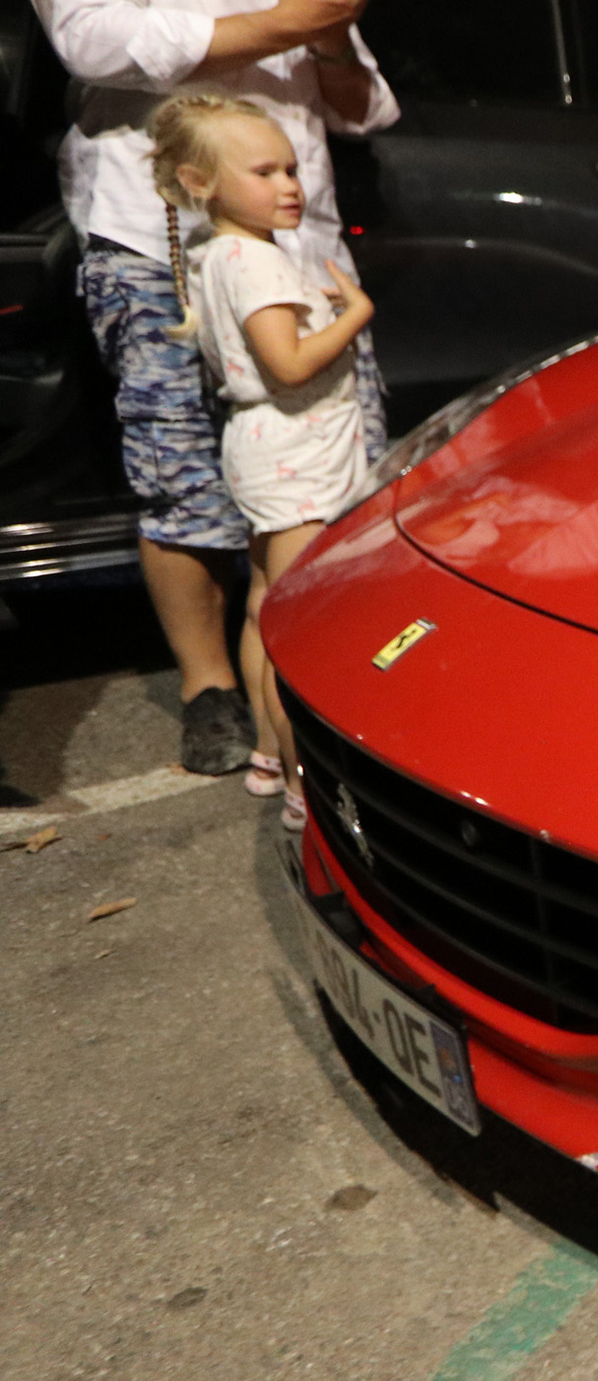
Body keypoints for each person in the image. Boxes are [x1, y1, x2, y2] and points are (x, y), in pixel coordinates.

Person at [11, 0, 396, 777]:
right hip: (159, 241)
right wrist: (280, 23)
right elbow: (89, 34)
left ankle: (327, 675)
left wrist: (322, 31)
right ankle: (210, 685)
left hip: (302, 244)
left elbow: (367, 106)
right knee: (182, 478)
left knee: (332, 475)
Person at [151, 91, 369, 831]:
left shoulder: (218, 254)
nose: (290, 186)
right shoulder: (260, 265)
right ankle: (306, 790)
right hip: (299, 455)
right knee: (301, 626)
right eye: (265, 172)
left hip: (258, 446)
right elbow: (290, 363)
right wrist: (355, 316)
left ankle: (271, 757)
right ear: (200, 181)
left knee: (263, 608)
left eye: (292, 168)